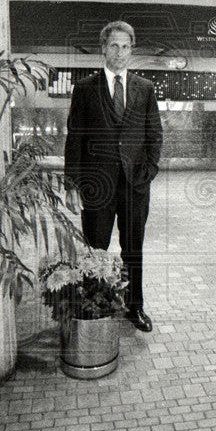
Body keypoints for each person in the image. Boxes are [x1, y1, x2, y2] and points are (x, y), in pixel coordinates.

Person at [64, 21, 163, 333]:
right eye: (114, 46)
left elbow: (154, 134)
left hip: (135, 187)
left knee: (133, 249)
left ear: (131, 50)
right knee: (96, 249)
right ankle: (95, 307)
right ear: (103, 49)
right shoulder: (84, 89)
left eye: (126, 47)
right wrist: (73, 184)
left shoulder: (144, 89)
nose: (120, 52)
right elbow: (74, 138)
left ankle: (135, 308)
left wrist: (148, 171)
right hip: (98, 187)